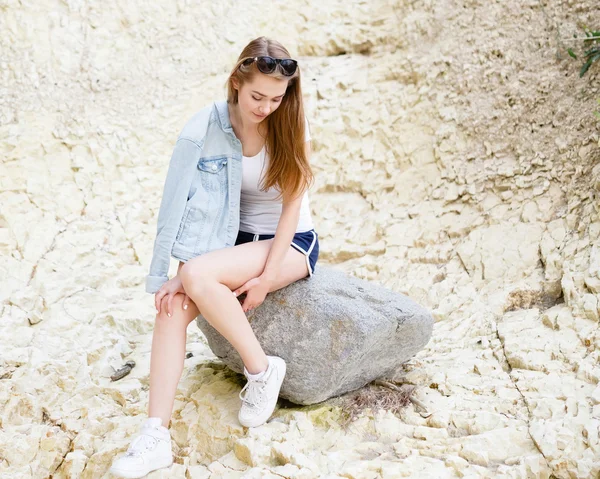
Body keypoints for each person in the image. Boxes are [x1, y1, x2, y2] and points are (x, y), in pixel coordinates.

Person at [109, 36, 319, 478]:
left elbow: (292, 211)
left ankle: (261, 370)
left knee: (199, 277)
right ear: (237, 84)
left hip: (290, 242)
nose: (265, 107)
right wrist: (177, 275)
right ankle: (155, 435)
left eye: (276, 98)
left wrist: (265, 278)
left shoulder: (289, 125)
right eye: (257, 95)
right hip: (231, 242)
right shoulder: (206, 126)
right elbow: (191, 206)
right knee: (171, 308)